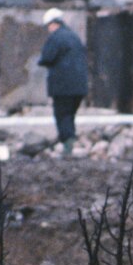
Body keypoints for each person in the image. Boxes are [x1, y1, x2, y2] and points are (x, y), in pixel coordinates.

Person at [38, 9, 90, 157]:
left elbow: (46, 57)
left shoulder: (55, 38)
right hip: (79, 86)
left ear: (53, 24)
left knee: (62, 115)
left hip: (62, 87)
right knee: (70, 115)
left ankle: (68, 147)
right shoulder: (74, 36)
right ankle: (70, 144)